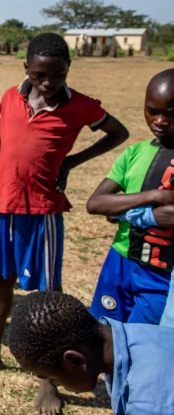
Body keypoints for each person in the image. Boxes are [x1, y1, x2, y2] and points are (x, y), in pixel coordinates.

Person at [0, 32, 130, 415]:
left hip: (42, 211)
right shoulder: (9, 98)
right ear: (26, 70)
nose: (48, 83)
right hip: (2, 209)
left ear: (68, 70)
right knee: (0, 279)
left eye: (58, 76)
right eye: (39, 75)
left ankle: (48, 381)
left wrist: (72, 161)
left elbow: (119, 132)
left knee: (48, 297)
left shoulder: (80, 106)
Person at [85, 69, 174, 326]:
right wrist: (153, 197)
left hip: (162, 273)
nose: (160, 121)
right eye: (152, 110)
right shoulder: (134, 153)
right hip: (120, 260)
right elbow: (97, 203)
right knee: (102, 334)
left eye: (170, 113)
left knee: (141, 345)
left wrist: (122, 209)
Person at [9, 291, 174, 415]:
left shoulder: (147, 404)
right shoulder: (138, 334)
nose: (56, 384)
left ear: (75, 360)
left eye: (54, 380)